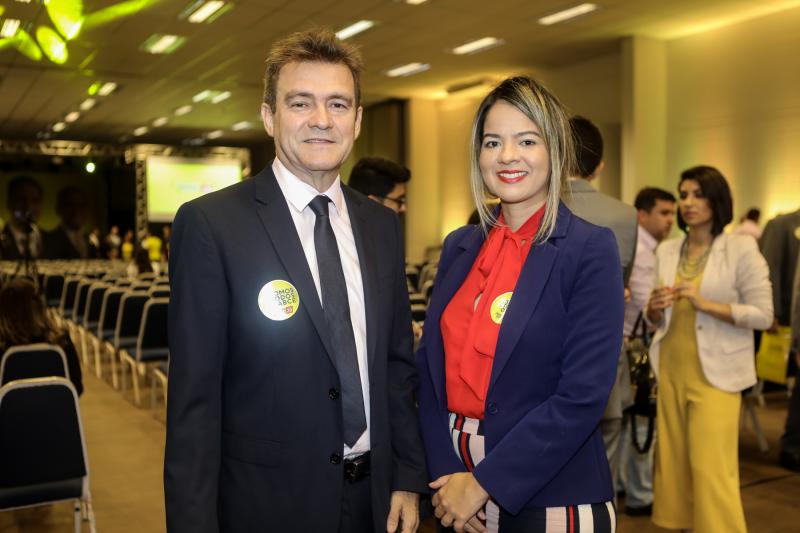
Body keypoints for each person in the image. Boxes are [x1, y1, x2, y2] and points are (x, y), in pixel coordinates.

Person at [164, 29, 427, 533]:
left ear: (357, 120)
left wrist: (407, 477)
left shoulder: (380, 226)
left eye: (338, 104)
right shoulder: (212, 225)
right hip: (265, 506)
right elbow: (194, 404)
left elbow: (396, 367)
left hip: (374, 501)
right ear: (269, 116)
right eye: (301, 103)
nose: (321, 119)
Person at [416, 76, 624, 532]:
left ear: (555, 150)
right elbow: (428, 372)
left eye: (527, 141)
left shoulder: (588, 249)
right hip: (455, 490)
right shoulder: (459, 246)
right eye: (493, 142)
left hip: (551, 490)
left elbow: (583, 394)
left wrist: (483, 483)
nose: (507, 155)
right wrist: (448, 475)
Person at [646, 166, 772, 533]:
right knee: (673, 466)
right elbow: (655, 320)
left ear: (717, 201)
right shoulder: (668, 250)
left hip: (717, 376)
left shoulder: (740, 248)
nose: (688, 202)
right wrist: (654, 308)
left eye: (698, 195)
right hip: (671, 369)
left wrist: (706, 304)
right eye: (684, 194)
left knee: (711, 469)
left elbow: (764, 315)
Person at [564, 115, 638, 498]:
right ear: (600, 167)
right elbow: (620, 285)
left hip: (547, 359)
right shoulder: (625, 215)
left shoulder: (534, 206)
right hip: (604, 353)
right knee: (602, 463)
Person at [617, 187, 676, 517]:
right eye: (664, 213)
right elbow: (644, 302)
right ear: (642, 215)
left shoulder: (646, 246)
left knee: (628, 422)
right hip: (635, 347)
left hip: (627, 345)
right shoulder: (641, 250)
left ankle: (627, 486)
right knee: (641, 421)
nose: (670, 220)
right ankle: (640, 493)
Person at [760, 206, 800, 471]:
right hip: (785, 318)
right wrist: (772, 312)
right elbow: (770, 268)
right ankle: (791, 446)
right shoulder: (782, 225)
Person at [0, 278, 83, 396]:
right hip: (56, 407)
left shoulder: (3, 347)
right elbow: (77, 388)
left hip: (10, 408)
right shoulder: (62, 341)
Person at [0, 176, 44, 260]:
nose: (28, 207)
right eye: (20, 200)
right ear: (9, 203)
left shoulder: (51, 240)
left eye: (35, 200)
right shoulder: (2, 236)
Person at [42, 186, 92, 259]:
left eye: (81, 205)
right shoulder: (48, 241)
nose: (76, 210)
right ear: (59, 208)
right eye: (70, 205)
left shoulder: (89, 240)